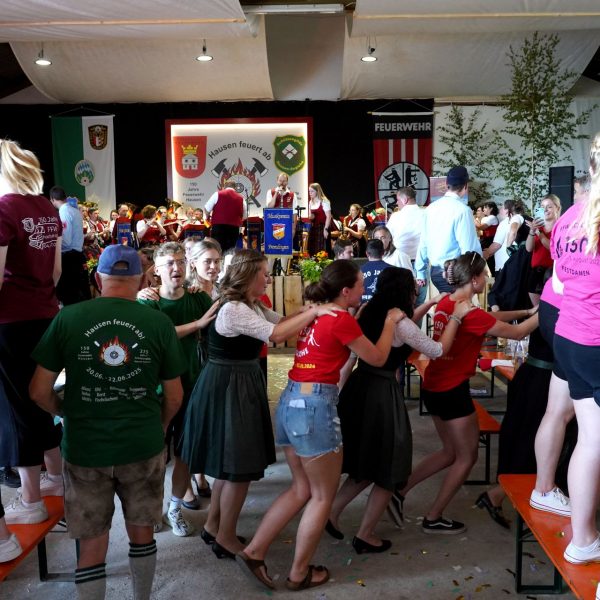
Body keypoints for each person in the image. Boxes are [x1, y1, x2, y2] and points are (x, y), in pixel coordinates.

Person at [235, 259, 404, 591]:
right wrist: (389, 323)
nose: (364, 288)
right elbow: (377, 358)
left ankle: (254, 552)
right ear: (346, 291)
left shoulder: (316, 313)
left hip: (290, 401)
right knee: (322, 497)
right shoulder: (341, 319)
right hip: (314, 408)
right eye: (360, 284)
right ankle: (299, 573)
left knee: (301, 489)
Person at [29, 244, 185, 599]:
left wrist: (67, 412)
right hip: (142, 445)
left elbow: (38, 391)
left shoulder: (68, 318)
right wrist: (159, 427)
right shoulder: (159, 323)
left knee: (91, 544)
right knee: (142, 534)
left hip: (85, 448)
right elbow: (174, 396)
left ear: (98, 279)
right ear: (142, 280)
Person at [180, 250, 336, 562]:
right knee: (238, 467)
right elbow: (276, 334)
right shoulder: (234, 309)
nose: (268, 278)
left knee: (230, 466)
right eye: (264, 273)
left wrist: (310, 311)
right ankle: (225, 538)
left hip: (236, 381)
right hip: (229, 385)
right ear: (248, 275)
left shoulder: (250, 304)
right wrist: (318, 312)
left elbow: (282, 322)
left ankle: (214, 527)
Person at [393, 252, 538, 534]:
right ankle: (433, 516)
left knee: (450, 452)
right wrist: (549, 310)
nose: (486, 279)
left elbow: (489, 319)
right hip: (452, 390)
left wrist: (525, 312)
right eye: (484, 275)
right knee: (467, 456)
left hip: (434, 385)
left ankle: (399, 491)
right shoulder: (469, 312)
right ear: (474, 280)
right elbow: (518, 334)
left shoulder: (448, 302)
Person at [327, 267, 471, 552]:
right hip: (381, 394)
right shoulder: (399, 323)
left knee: (365, 463)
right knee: (389, 466)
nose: (416, 293)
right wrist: (456, 317)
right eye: (414, 289)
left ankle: (331, 512)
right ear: (405, 291)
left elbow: (400, 330)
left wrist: (428, 305)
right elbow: (436, 350)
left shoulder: (369, 310)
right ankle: (365, 534)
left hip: (360, 387)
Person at [0, 139, 63, 525]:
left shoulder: (3, 209)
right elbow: (55, 272)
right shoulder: (46, 209)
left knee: (15, 409)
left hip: (10, 321)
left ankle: (30, 499)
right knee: (40, 398)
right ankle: (54, 477)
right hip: (44, 315)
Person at [137, 242, 218, 537]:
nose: (176, 268)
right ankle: (150, 509)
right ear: (156, 270)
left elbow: (216, 326)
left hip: (192, 385)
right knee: (153, 453)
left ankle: (174, 508)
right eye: (169, 263)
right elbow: (156, 335)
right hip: (155, 390)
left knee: (185, 452)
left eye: (181, 262)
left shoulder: (197, 298)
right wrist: (197, 324)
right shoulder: (148, 302)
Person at [551, 133, 600, 565]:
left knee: (590, 440)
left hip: (569, 336)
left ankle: (584, 537)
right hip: (594, 341)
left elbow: (560, 282)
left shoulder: (570, 216)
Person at [415, 166, 481, 293]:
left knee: (445, 303)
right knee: (458, 305)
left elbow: (423, 242)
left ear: (446, 184)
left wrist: (420, 271)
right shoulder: (463, 210)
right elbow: (469, 248)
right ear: (466, 186)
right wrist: (478, 270)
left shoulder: (430, 208)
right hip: (456, 273)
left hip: (435, 272)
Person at [50, 186, 91, 305]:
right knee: (80, 295)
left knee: (70, 297)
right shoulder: (75, 211)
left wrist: (52, 246)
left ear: (52, 199)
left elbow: (66, 240)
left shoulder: (64, 212)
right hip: (77, 255)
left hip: (69, 258)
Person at [525, 194, 561, 306]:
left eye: (549, 206)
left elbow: (552, 248)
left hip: (552, 274)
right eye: (542, 207)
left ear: (557, 208)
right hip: (536, 274)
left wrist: (539, 233)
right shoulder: (538, 228)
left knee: (551, 309)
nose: (545, 210)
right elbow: (529, 248)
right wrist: (532, 232)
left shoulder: (561, 227)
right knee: (537, 310)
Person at [483, 199, 525, 274]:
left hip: (504, 266)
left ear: (507, 210)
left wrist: (487, 253)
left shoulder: (507, 222)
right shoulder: (521, 219)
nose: (499, 209)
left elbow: (497, 244)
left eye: (502, 207)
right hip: (514, 264)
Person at [204, 180, 246, 252]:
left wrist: (207, 217)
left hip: (218, 227)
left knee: (217, 248)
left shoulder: (217, 194)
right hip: (234, 228)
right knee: (230, 249)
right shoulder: (241, 198)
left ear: (224, 187)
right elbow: (245, 215)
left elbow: (207, 209)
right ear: (235, 188)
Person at [265, 172, 298, 240]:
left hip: (287, 224)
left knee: (286, 244)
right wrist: (276, 193)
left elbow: (294, 212)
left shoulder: (292, 195)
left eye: (284, 181)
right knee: (274, 243)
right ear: (277, 181)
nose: (282, 183)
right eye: (280, 180)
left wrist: (294, 228)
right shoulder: (270, 192)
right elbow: (270, 207)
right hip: (273, 224)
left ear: (287, 182)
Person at [360, 239, 390, 304]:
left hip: (364, 309)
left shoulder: (359, 271)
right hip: (387, 309)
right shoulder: (393, 271)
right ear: (383, 252)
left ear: (367, 253)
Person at [306, 183, 332, 256]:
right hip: (314, 228)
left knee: (321, 249)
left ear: (317, 191)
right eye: (309, 191)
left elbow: (328, 216)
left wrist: (325, 229)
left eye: (312, 191)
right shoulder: (310, 202)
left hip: (322, 227)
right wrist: (311, 216)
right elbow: (311, 217)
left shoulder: (324, 201)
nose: (310, 193)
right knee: (312, 248)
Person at [475, 202, 499, 272]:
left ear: (491, 209)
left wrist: (473, 218)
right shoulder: (488, 218)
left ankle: (491, 275)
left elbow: (480, 227)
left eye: (485, 207)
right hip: (485, 240)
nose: (484, 209)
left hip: (489, 241)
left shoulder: (492, 217)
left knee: (488, 260)